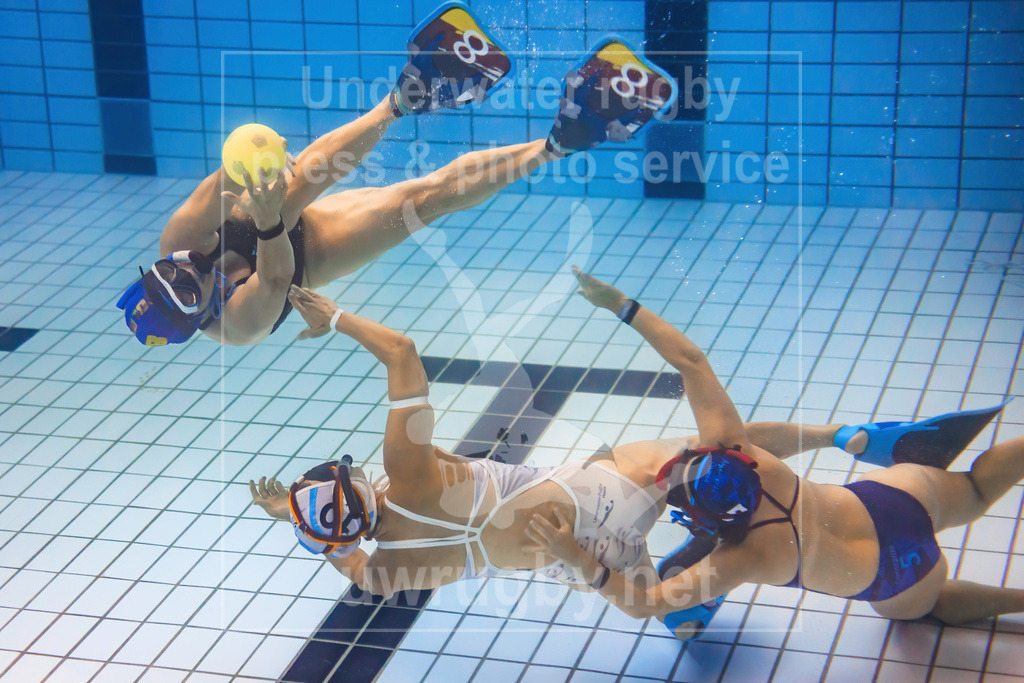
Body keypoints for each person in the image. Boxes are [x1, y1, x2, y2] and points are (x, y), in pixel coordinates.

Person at [248, 280, 1012, 640]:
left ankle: (699, 593)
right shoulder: (405, 470)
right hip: (605, 497)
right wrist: (338, 315)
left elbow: (354, 568)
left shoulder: (384, 569)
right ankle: (844, 434)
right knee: (722, 443)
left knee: (673, 602)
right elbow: (404, 354)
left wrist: (303, 523)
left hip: (594, 545)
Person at [116, 2, 677, 348]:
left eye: (169, 270)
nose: (185, 267)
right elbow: (273, 276)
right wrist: (265, 226)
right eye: (188, 287)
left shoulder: (179, 240)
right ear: (202, 310)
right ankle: (559, 143)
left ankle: (405, 99)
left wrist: (259, 165)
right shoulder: (239, 326)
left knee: (291, 184)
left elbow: (230, 176)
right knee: (422, 198)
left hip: (265, 223)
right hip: (301, 261)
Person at [523, 267, 1023, 638]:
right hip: (896, 496)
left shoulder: (743, 558)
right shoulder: (743, 452)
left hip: (895, 571)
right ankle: (844, 435)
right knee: (978, 489)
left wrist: (579, 559)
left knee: (930, 605)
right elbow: (691, 361)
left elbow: (645, 603)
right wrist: (620, 304)